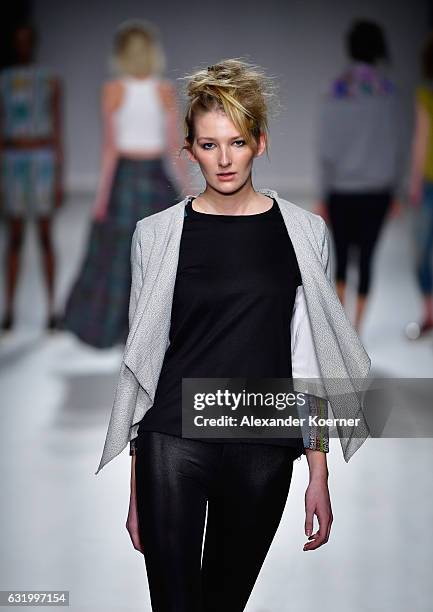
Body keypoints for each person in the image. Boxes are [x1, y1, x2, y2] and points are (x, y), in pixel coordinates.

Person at [96, 59, 371, 611]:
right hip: (173, 442)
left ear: (260, 143)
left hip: (263, 449)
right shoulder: (156, 236)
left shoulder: (303, 234)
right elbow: (143, 363)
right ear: (189, 149)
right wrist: (136, 489)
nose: (223, 159)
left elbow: (307, 355)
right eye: (208, 144)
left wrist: (319, 471)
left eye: (237, 142)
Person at [61, 19, 189, 348]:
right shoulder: (163, 90)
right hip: (155, 180)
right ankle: (156, 334)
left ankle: (116, 329)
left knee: (119, 257)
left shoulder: (113, 90)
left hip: (125, 179)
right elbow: (173, 145)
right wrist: (187, 187)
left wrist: (102, 198)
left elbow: (110, 149)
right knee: (157, 257)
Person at [316, 19, 403, 333]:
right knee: (366, 259)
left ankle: (340, 335)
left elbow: (326, 147)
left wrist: (323, 192)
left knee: (340, 259)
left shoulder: (337, 89)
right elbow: (395, 144)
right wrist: (395, 190)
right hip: (377, 190)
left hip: (341, 189)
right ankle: (356, 331)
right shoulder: (388, 91)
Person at [0, 23, 63, 332]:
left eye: (27, 40)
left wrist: (59, 176)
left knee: (44, 236)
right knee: (13, 238)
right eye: (18, 40)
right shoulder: (4, 81)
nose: (23, 45)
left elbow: (57, 130)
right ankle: (9, 309)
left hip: (42, 159)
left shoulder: (49, 80)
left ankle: (52, 310)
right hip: (12, 160)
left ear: (34, 43)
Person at [406, 30, 433, 339]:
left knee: (421, 252)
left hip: (428, 181)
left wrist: (414, 182)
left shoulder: (425, 93)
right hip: (428, 182)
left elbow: (421, 140)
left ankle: (428, 314)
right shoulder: (424, 93)